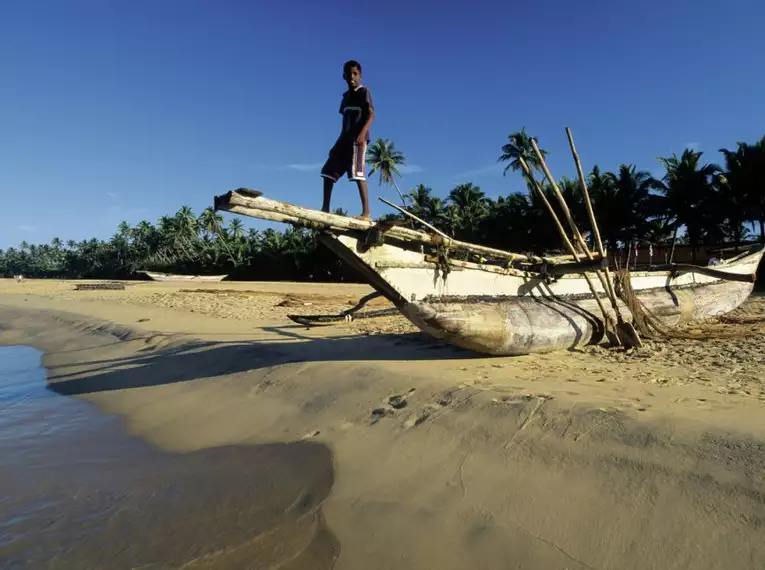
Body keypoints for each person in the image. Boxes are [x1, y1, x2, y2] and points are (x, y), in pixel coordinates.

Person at [320, 60, 374, 219]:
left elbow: (371, 116)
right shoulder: (345, 97)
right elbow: (344, 125)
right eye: (349, 74)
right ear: (344, 76)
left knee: (358, 173)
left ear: (360, 76)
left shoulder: (364, 92)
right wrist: (336, 144)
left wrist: (362, 134)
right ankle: (325, 208)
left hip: (358, 140)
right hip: (344, 140)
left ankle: (366, 212)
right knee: (328, 170)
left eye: (355, 74)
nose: (352, 76)